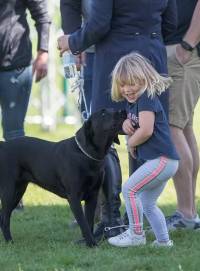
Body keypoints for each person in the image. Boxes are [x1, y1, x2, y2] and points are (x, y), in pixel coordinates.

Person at [58, 0, 177, 241]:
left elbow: (99, 24)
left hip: (117, 57)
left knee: (105, 133)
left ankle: (112, 218)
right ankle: (136, 215)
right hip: (152, 54)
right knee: (145, 128)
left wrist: (71, 42)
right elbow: (171, 22)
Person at [108, 53, 179, 247]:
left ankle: (136, 235)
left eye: (133, 83)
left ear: (145, 79)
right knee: (147, 204)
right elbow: (133, 124)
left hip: (162, 159)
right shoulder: (133, 102)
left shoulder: (146, 98)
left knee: (129, 189)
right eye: (123, 85)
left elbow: (146, 130)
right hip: (162, 161)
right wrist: (125, 126)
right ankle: (164, 242)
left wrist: (131, 143)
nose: (127, 89)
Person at [0, 0, 51, 209]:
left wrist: (43, 51)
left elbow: (42, 15)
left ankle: (13, 194)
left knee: (13, 133)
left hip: (16, 65)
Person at [164, 0, 200, 230]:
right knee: (183, 127)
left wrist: (187, 44)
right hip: (179, 49)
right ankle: (189, 211)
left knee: (172, 126)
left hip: (182, 51)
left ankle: (186, 214)